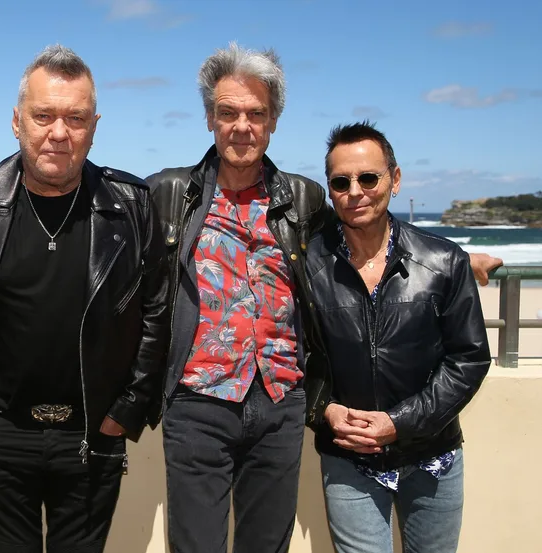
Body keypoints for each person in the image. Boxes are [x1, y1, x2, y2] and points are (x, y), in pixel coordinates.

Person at [147, 43, 502, 553]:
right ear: (209, 118)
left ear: (273, 122)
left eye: (256, 113)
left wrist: (461, 259)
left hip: (281, 404)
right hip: (198, 403)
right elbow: (116, 254)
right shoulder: (168, 192)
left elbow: (367, 233)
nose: (242, 126)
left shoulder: (304, 197)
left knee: (268, 544)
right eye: (228, 112)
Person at [0, 45, 169, 553]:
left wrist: (126, 409)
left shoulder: (131, 205)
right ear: (17, 121)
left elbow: (158, 310)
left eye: (75, 118)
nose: (59, 132)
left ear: (94, 125)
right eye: (44, 115)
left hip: (94, 433)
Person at [309, 121, 490, 553]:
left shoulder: (445, 261)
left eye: (368, 177)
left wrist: (399, 423)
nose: (356, 191)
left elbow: (469, 358)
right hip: (348, 455)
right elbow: (292, 357)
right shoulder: (308, 267)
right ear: (330, 189)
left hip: (434, 456)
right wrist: (325, 409)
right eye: (341, 181)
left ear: (395, 178)